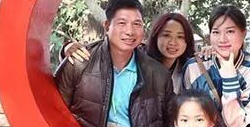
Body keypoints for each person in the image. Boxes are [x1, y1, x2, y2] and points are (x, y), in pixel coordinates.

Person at [54, 0, 173, 127]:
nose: (130, 31)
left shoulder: (158, 74)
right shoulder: (80, 62)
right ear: (107, 26)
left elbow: (168, 125)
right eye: (122, 23)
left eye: (137, 24)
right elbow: (56, 112)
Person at [182, 5, 250, 127]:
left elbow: (236, 123)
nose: (222, 39)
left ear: (243, 34)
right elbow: (185, 115)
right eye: (216, 32)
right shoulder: (194, 67)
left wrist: (230, 78)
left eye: (230, 31)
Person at [64, 12, 195, 94]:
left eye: (180, 37)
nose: (173, 42)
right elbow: (105, 52)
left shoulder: (189, 68)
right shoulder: (135, 57)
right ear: (155, 36)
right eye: (166, 35)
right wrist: (67, 48)